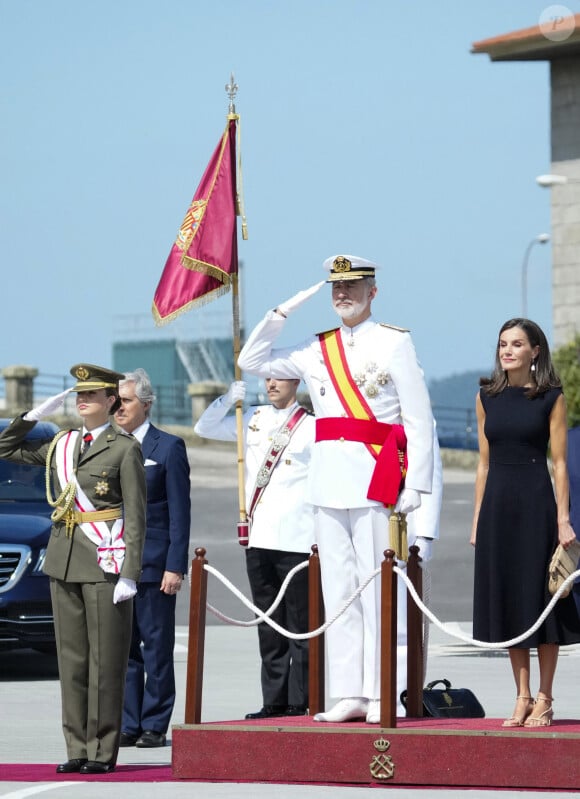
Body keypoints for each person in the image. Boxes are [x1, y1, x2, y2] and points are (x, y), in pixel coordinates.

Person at [238, 254, 441, 724]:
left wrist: (418, 484)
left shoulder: (394, 343)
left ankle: (379, 693)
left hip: (376, 478)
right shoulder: (315, 348)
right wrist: (281, 311)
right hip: (328, 483)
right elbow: (251, 361)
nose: (342, 294)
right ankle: (348, 692)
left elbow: (418, 418)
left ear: (373, 291)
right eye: (336, 287)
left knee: (376, 594)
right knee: (340, 593)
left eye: (353, 286)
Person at [0, 364, 146, 774]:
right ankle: (77, 747)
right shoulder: (62, 444)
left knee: (106, 661)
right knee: (73, 661)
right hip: (64, 560)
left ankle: (102, 751)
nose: (82, 400)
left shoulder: (124, 448)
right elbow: (5, 448)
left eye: (92, 395)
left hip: (103, 563)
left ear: (111, 400)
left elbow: (135, 515)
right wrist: (31, 418)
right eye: (78, 394)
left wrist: (130, 573)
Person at [471, 319, 580, 728]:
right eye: (503, 343)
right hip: (498, 507)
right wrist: (478, 519)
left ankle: (545, 697)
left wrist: (564, 520)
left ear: (536, 351)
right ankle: (521, 696)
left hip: (536, 504)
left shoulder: (551, 397)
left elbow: (561, 464)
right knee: (510, 601)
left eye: (517, 344)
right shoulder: (486, 397)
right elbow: (482, 464)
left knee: (541, 601)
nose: (508, 350)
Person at [194, 376, 316, 718]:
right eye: (267, 377)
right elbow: (204, 428)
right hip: (259, 537)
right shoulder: (251, 418)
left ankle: (299, 699)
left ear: (296, 381)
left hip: (297, 538)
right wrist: (224, 400)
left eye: (279, 378)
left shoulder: (312, 425)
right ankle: (273, 700)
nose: (271, 383)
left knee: (299, 625)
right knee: (267, 623)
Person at [114, 369, 191, 748]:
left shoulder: (168, 447)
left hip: (155, 564)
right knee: (125, 649)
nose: (118, 408)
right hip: (115, 564)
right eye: (115, 401)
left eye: (125, 401)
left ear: (145, 404)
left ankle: (155, 723)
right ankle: (129, 722)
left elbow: (180, 511)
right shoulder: (108, 445)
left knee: (156, 646)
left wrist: (175, 566)